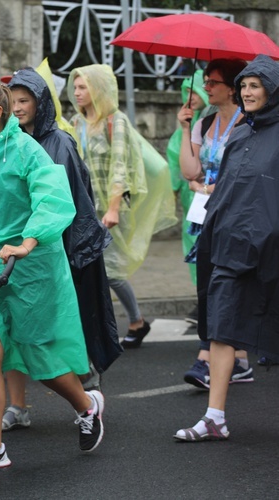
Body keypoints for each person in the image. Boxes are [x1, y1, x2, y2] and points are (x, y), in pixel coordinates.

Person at [0, 80, 105, 472]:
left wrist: (28, 241)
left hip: (29, 269)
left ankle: (86, 407)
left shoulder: (27, 151)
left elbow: (53, 199)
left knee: (39, 355)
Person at [1, 68, 121, 430]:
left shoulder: (60, 143)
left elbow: (68, 202)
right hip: (23, 250)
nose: (18, 107)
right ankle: (18, 405)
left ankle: (88, 389)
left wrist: (67, 249)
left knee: (68, 323)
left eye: (25, 101)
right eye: (13, 101)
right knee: (12, 327)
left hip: (62, 249)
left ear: (41, 104)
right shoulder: (9, 141)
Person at [174, 54, 279, 441]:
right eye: (245, 85)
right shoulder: (239, 134)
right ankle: (214, 417)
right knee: (220, 327)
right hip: (230, 247)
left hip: (271, 251)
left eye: (256, 85)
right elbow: (225, 189)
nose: (248, 92)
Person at [68, 64, 176, 348]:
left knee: (112, 271)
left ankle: (137, 321)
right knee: (85, 270)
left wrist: (113, 208)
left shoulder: (116, 122)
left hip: (111, 211)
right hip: (85, 210)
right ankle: (93, 330)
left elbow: (120, 168)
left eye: (83, 87)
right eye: (75, 87)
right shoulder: (76, 123)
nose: (77, 92)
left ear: (98, 89)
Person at [176, 59, 254, 390]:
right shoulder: (204, 123)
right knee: (208, 284)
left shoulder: (247, 123)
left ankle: (211, 357)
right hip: (206, 216)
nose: (205, 87)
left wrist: (208, 187)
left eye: (212, 82)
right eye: (205, 81)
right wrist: (183, 128)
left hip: (235, 217)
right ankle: (229, 358)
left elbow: (242, 175)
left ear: (231, 87)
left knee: (229, 286)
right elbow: (190, 171)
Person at [166, 70, 208, 297]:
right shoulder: (188, 124)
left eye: (195, 90)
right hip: (191, 196)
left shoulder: (212, 122)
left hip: (206, 194)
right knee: (193, 245)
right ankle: (201, 295)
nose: (190, 96)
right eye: (186, 91)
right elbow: (175, 162)